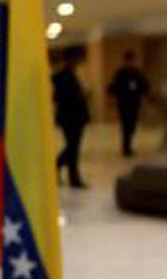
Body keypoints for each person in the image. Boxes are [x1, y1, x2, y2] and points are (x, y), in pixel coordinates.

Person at [52, 46, 90, 188]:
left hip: (74, 117)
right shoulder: (63, 76)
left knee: (73, 147)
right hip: (70, 117)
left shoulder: (69, 74)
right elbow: (61, 96)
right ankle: (70, 176)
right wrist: (80, 96)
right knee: (72, 147)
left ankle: (67, 172)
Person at [107, 51, 150, 157]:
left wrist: (147, 96)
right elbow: (113, 87)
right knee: (125, 124)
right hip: (123, 103)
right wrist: (112, 99)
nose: (130, 63)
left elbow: (144, 86)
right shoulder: (120, 73)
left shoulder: (137, 73)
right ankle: (126, 147)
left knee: (132, 124)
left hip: (134, 103)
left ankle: (128, 144)